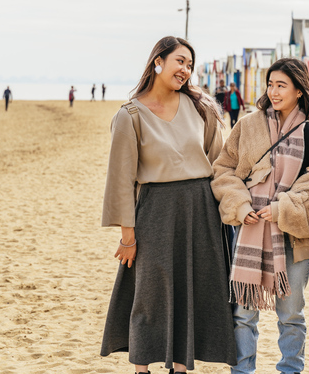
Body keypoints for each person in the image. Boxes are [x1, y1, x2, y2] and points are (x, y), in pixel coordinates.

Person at [100, 36, 236, 373]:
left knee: (192, 291)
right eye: (180, 61)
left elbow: (218, 164)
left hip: (202, 212)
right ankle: (141, 369)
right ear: (158, 62)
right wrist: (127, 238)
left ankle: (180, 367)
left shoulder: (200, 107)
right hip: (156, 213)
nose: (186, 70)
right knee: (150, 295)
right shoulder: (130, 115)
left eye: (190, 64)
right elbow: (121, 182)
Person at [211, 57, 309, 374]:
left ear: (299, 91)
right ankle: (242, 370)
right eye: (271, 84)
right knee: (243, 314)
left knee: (292, 314)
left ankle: (290, 370)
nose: (274, 91)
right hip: (248, 231)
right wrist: (241, 206)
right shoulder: (249, 126)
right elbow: (224, 171)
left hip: (294, 238)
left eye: (282, 85)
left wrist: (282, 209)